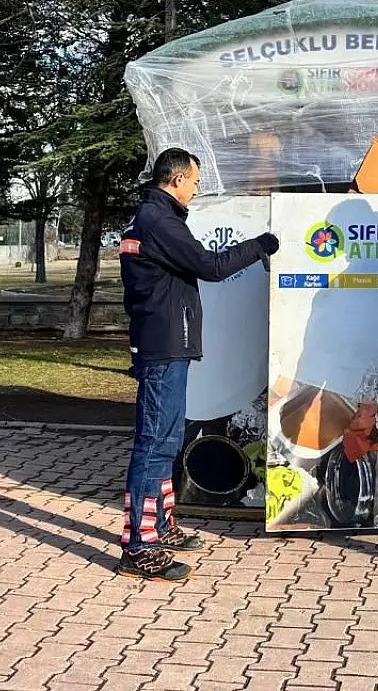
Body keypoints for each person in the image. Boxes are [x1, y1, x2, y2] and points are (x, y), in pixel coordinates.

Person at [116, 147, 279, 581]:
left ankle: (161, 526)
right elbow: (210, 266)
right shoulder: (159, 222)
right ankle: (137, 545)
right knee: (153, 445)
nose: (196, 190)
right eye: (195, 183)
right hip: (162, 347)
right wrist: (262, 244)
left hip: (170, 343)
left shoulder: (155, 219)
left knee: (167, 441)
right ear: (176, 180)